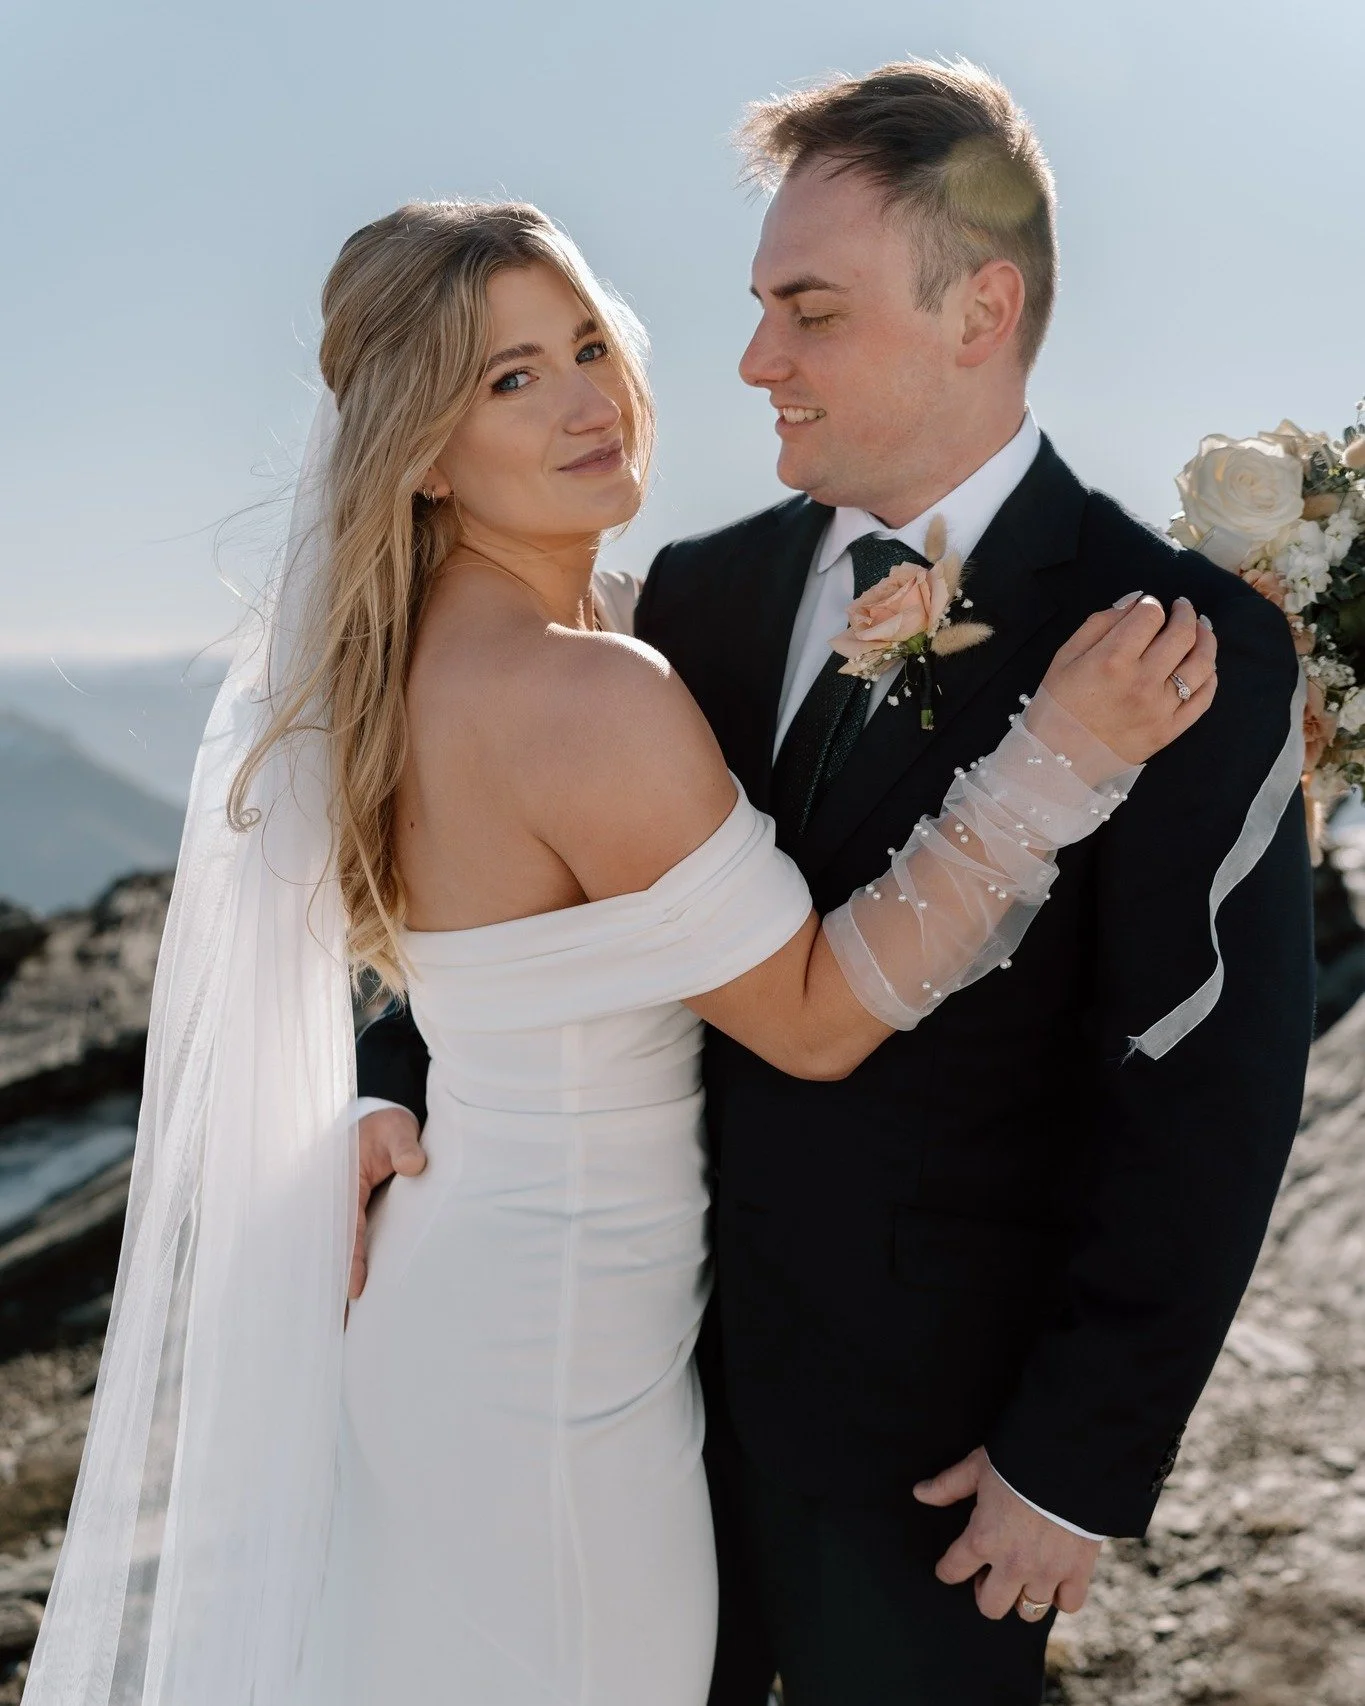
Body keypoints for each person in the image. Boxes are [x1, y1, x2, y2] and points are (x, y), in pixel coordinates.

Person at [26, 195, 1211, 1706]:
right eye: (507, 379)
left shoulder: (404, 662)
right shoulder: (581, 691)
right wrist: (1058, 753)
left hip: (464, 1309)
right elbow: (807, 1015)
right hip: (556, 1374)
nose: (587, 401)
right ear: (424, 450)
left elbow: (478, 971)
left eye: (586, 343)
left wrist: (378, 1091)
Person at [355, 61, 1314, 1706]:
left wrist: (1077, 1459)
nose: (749, 363)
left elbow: (1212, 1080)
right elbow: (535, 885)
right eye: (758, 307)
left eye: (807, 312)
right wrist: (389, 1074)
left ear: (979, 307)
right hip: (626, 1396)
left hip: (938, 1463)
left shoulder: (1176, 641)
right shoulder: (695, 598)